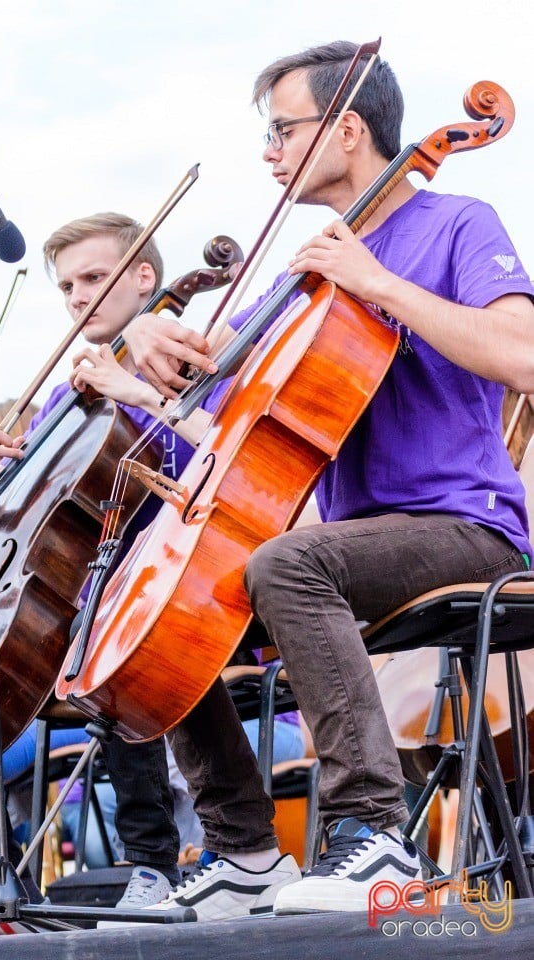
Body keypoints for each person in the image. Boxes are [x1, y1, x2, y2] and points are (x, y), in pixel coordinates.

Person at [88, 40, 534, 918]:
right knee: (156, 611)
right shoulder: (310, 261)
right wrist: (141, 338)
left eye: (282, 131)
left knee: (287, 563)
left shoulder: (456, 223)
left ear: (349, 128)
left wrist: (377, 283)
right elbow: (212, 379)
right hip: (350, 546)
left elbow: (523, 357)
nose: (270, 153)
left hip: (465, 526)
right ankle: (247, 850)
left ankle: (374, 837)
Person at [0, 213, 206, 931]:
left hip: (159, 582)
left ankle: (154, 865)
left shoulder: (181, 349)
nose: (78, 297)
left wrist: (135, 388)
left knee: (107, 629)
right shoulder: (64, 392)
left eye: (93, 277)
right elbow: (12, 518)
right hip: (63, 590)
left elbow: (213, 460)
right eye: (67, 287)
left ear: (146, 277)